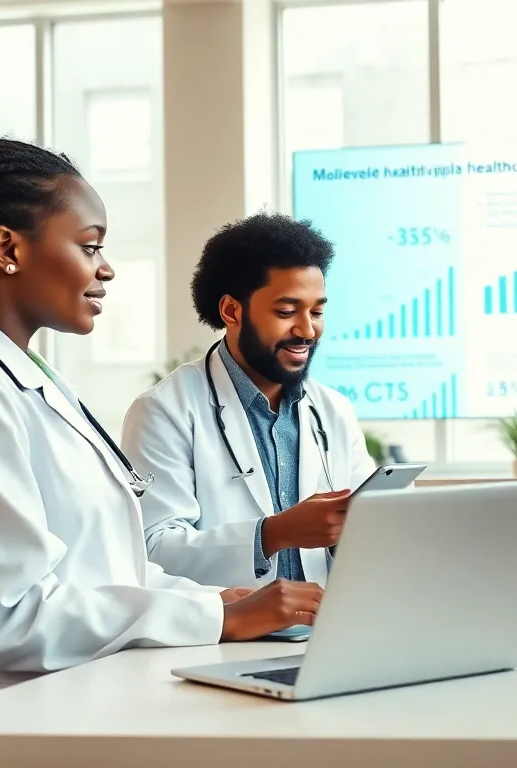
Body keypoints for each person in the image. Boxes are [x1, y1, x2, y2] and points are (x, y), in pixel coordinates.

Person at [0, 139, 326, 706]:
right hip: (31, 718)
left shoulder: (18, 382)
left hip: (98, 690)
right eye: (89, 247)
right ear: (7, 248)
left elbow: (106, 572)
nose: (106, 269)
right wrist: (211, 615)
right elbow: (9, 619)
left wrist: (222, 600)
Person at [121, 213, 376, 589]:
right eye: (286, 312)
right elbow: (150, 549)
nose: (307, 330)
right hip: (224, 639)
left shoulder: (332, 410)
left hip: (327, 629)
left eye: (317, 311)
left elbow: (369, 531)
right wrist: (272, 534)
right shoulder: (164, 410)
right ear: (232, 311)